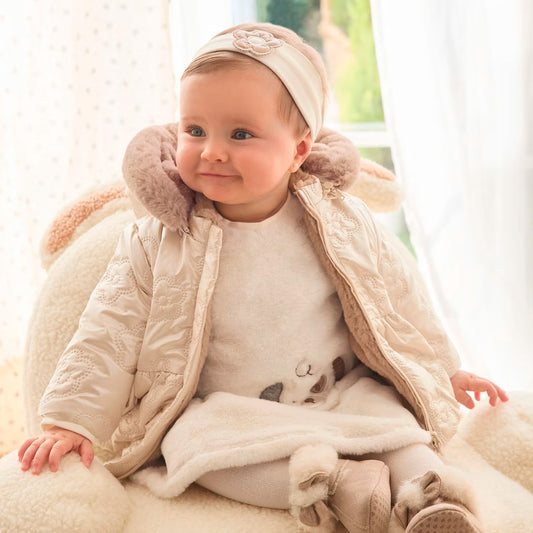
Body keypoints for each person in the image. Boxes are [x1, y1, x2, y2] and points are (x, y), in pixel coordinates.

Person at [18, 23, 508, 533]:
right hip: (229, 408)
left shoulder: (340, 221)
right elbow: (108, 333)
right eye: (194, 130)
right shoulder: (160, 240)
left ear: (298, 150)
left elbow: (398, 299)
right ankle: (340, 486)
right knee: (195, 450)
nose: (211, 151)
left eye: (240, 134)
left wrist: (444, 368)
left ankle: (433, 502)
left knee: (399, 430)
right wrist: (70, 420)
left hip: (341, 391)